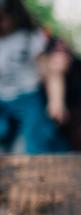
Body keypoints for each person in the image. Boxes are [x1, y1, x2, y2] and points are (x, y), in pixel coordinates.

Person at [0, 0, 69, 153]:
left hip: (28, 96)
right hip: (2, 99)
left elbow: (50, 72)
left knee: (36, 138)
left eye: (4, 18)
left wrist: (56, 101)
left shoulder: (30, 37)